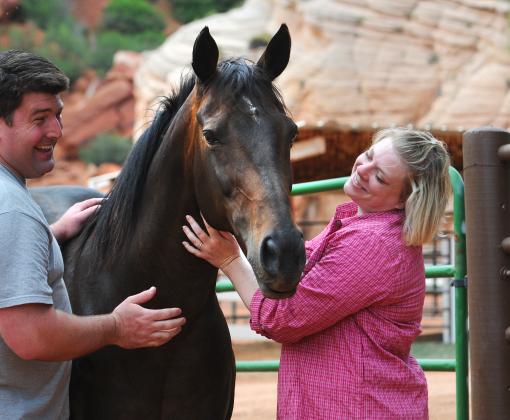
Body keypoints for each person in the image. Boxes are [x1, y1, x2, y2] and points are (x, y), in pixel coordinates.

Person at [183, 127, 451, 419]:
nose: (363, 169)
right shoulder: (355, 225)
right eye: (369, 156)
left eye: (380, 176)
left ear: (403, 201)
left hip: (356, 407)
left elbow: (283, 317)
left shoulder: (373, 244)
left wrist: (230, 260)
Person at [0, 50, 186, 419]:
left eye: (58, 115)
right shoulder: (13, 212)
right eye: (40, 118)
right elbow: (31, 336)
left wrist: (49, 235)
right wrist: (117, 327)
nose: (56, 131)